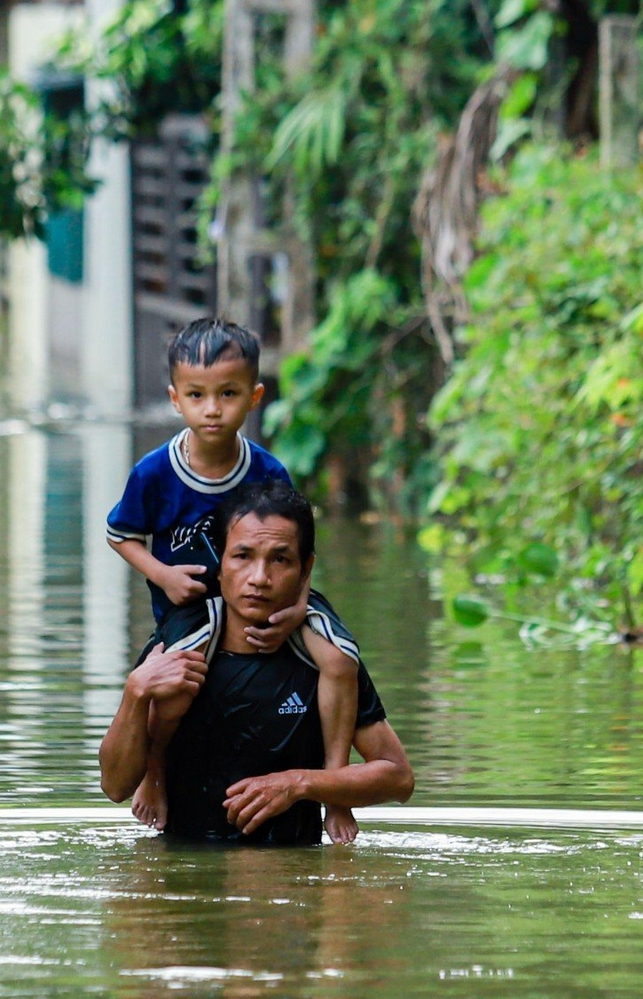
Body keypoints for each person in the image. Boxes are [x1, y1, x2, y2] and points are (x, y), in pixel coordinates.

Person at [105, 319, 364, 842]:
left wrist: (297, 610)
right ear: (176, 399)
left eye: (228, 394)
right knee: (177, 686)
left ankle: (337, 791)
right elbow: (119, 533)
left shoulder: (267, 470)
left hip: (271, 604)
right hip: (193, 609)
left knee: (340, 660)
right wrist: (161, 574)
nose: (213, 409)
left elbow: (294, 540)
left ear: (255, 396)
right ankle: (154, 776)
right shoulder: (155, 472)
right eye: (197, 395)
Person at [99, 482, 415, 846]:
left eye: (280, 559)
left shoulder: (325, 658)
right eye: (242, 556)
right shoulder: (177, 649)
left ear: (305, 568)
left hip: (292, 878)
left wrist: (297, 784)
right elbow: (115, 785)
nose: (259, 578)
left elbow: (398, 779)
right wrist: (135, 692)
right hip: (184, 875)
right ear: (219, 563)